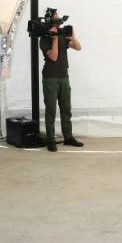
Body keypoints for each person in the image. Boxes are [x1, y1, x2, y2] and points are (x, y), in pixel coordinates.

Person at [40, 11, 84, 152]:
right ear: (50, 21)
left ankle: (68, 137)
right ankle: (50, 140)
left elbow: (78, 47)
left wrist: (72, 36)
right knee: (51, 110)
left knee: (66, 109)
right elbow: (53, 57)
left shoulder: (63, 35)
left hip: (64, 77)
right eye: (56, 19)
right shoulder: (45, 38)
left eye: (59, 19)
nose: (59, 21)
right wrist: (54, 39)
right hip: (50, 78)